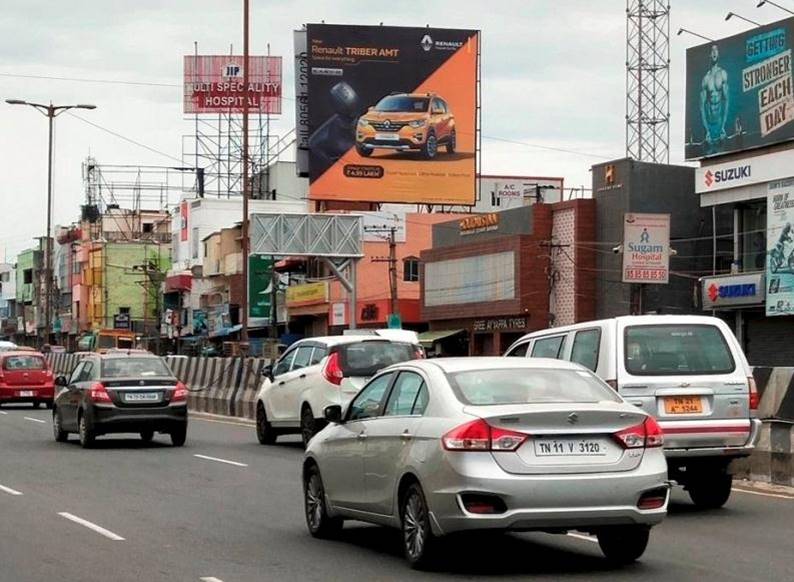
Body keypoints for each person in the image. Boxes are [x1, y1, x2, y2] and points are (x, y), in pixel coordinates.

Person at [700, 44, 730, 151]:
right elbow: (702, 108)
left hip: (720, 121)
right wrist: (706, 129)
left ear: (718, 54)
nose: (714, 53)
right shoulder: (705, 79)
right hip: (709, 122)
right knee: (708, 155)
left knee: (723, 152)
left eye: (716, 50)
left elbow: (727, 101)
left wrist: (723, 125)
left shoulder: (723, 74)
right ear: (710, 55)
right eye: (712, 51)